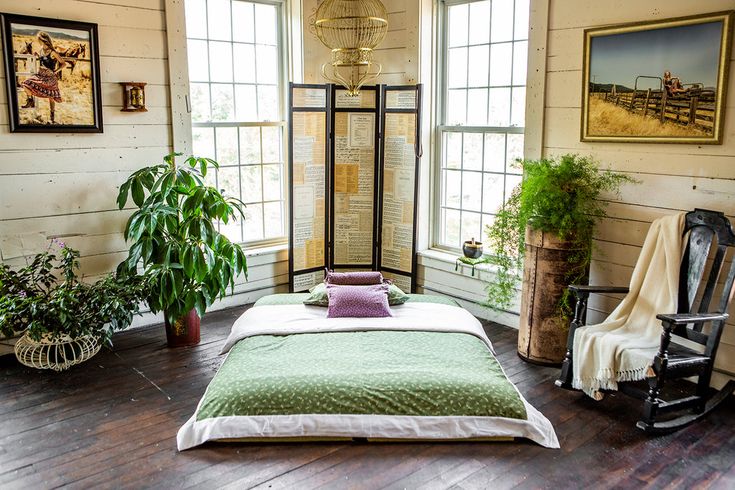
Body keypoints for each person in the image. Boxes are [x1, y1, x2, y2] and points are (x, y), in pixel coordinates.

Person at [20, 31, 65, 123]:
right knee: (26, 83)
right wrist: (37, 55)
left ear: (43, 40)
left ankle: (52, 118)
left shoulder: (53, 52)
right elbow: (42, 59)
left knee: (51, 98)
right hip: (40, 76)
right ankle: (30, 100)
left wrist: (55, 71)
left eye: (39, 39)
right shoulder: (41, 50)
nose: (38, 41)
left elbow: (63, 64)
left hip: (50, 78)